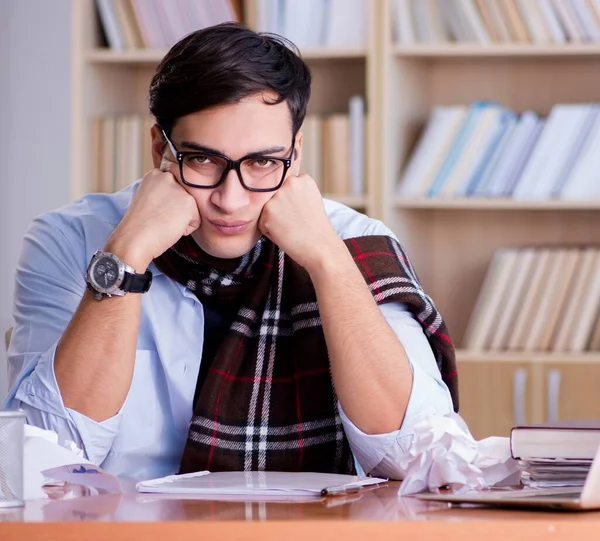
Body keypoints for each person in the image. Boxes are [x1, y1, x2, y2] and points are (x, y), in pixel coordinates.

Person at [4, 23, 457, 480]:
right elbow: (43, 457)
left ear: (295, 155)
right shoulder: (71, 239)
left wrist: (327, 260)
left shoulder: (352, 239)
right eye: (203, 160)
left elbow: (417, 456)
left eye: (262, 163)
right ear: (160, 147)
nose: (231, 199)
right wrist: (127, 254)